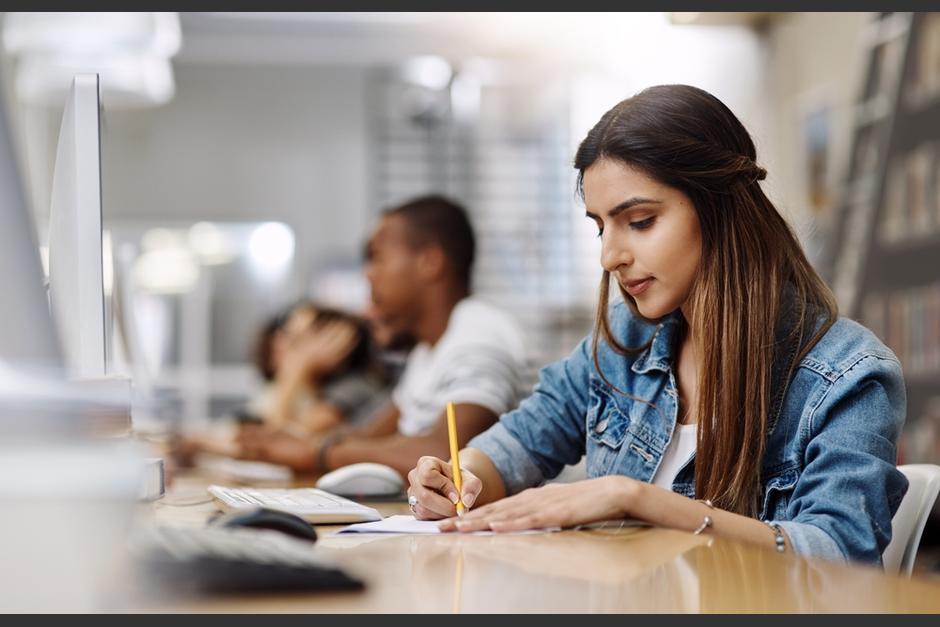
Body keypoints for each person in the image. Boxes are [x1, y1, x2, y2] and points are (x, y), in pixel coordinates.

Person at [407, 84, 908, 565]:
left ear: (718, 210)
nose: (609, 256)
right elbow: (512, 448)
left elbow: (838, 556)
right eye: (601, 227)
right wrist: (456, 478)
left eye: (640, 221)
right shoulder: (620, 345)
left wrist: (637, 500)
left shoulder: (847, 375)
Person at [236, 195, 528, 479]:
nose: (368, 275)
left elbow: (446, 454)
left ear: (430, 262)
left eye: (376, 258)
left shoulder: (478, 332)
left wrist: (316, 452)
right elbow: (370, 437)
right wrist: (293, 443)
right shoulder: (427, 353)